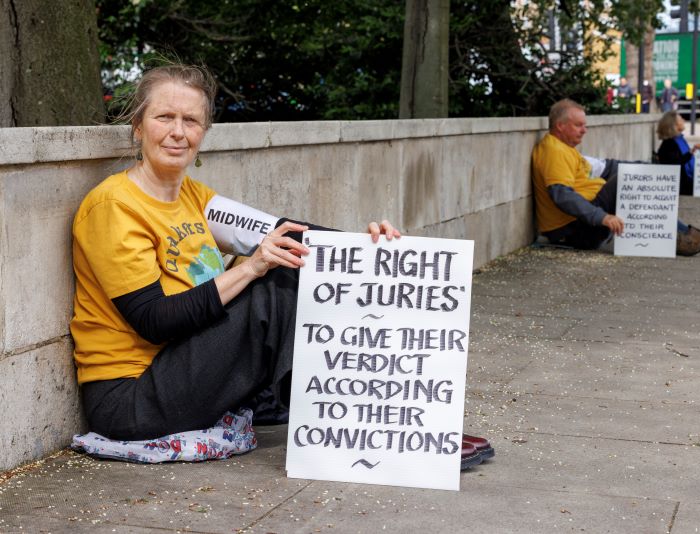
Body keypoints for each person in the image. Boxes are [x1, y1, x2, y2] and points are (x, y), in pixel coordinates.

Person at [70, 63, 491, 469]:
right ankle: (355, 428)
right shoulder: (114, 206)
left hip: (182, 373)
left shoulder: (192, 196)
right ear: (139, 126)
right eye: (164, 117)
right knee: (275, 281)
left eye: (191, 121)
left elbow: (285, 233)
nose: (178, 132)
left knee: (289, 260)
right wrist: (250, 269)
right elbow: (155, 321)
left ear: (204, 131)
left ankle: (392, 423)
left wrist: (370, 249)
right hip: (131, 399)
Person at [531, 99, 700, 256]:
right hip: (576, 231)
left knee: (635, 174)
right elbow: (562, 195)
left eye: (585, 125)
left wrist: (643, 168)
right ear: (560, 126)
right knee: (627, 178)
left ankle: (684, 233)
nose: (584, 130)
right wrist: (602, 217)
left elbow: (603, 169)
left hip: (585, 222)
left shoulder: (566, 148)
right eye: (578, 125)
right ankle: (677, 239)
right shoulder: (553, 151)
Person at [656, 110, 700, 196]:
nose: (684, 121)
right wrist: (690, 153)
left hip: (688, 181)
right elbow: (675, 164)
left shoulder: (679, 139)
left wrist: (692, 151)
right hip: (681, 187)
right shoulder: (668, 145)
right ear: (673, 125)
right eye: (681, 119)